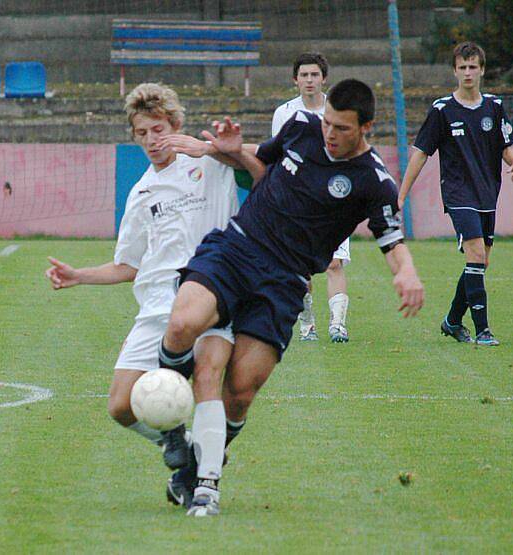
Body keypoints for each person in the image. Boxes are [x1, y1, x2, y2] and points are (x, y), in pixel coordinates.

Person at [159, 79, 424, 516]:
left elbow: (391, 239)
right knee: (183, 323)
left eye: (341, 127)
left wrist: (408, 271)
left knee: (241, 389)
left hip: (284, 281)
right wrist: (231, 150)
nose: (330, 134)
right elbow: (260, 170)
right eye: (327, 123)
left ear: (366, 127)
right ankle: (173, 426)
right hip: (238, 247)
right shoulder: (301, 127)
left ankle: (198, 472)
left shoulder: (373, 180)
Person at [44, 83, 243, 510]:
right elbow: (129, 265)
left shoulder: (211, 165)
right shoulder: (141, 193)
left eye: (158, 129)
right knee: (120, 406)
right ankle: (184, 446)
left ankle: (205, 488)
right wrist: (79, 275)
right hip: (156, 308)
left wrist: (210, 150)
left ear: (175, 125)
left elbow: (252, 161)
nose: (151, 141)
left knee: (209, 377)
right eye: (141, 134)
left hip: (210, 295)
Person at [398, 41, 513, 346]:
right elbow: (420, 154)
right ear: (455, 71)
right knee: (477, 255)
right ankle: (483, 331)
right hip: (457, 194)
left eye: (473, 67)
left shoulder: (494, 106)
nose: (468, 73)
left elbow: (505, 147)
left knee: (479, 263)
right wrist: (401, 196)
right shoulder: (442, 110)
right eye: (462, 67)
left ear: (482, 70)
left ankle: (453, 321)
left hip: (487, 193)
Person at [271, 52, 351, 343]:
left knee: (334, 262)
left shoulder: (339, 109)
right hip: (298, 201)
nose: (309, 80)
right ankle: (307, 325)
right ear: (295, 79)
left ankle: (338, 325)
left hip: (334, 200)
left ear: (324, 78)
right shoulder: (284, 113)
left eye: (314, 75)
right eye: (303, 75)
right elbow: (278, 156)